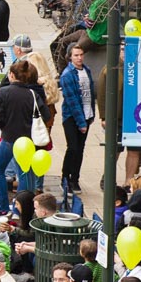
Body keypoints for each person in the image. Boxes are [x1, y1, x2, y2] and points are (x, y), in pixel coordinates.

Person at [0, 60, 36, 209]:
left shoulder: (3, 92)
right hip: (27, 140)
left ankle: (3, 206)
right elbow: (44, 114)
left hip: (9, 137)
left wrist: (4, 125)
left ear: (12, 75)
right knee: (23, 174)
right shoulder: (31, 94)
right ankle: (20, 207)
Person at [59, 44, 95, 196]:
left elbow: (91, 94)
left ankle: (75, 178)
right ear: (70, 57)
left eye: (81, 55)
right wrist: (81, 123)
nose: (79, 58)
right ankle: (66, 178)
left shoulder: (86, 70)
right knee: (72, 148)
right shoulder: (67, 75)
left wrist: (91, 115)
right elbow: (72, 100)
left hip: (86, 115)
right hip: (72, 117)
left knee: (80, 149)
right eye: (76, 55)